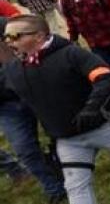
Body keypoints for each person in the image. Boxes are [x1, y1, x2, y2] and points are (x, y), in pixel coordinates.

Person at [3, 14, 110, 204]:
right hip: (67, 141)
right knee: (76, 189)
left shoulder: (72, 54)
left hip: (104, 127)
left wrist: (92, 109)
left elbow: (106, 79)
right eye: (6, 37)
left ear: (39, 36)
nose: (9, 42)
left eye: (15, 36)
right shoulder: (14, 70)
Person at [0, 17, 67, 202]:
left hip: (33, 88)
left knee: (60, 133)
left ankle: (63, 168)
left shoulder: (5, 26)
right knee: (24, 148)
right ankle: (54, 188)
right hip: (5, 106)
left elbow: (38, 41)